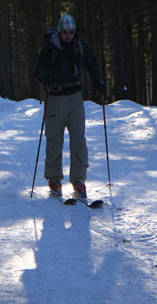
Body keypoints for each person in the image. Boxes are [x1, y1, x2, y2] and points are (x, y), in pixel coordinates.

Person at [34, 14, 106, 198]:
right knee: (54, 140)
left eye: (71, 32)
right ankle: (54, 179)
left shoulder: (80, 46)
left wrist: (99, 83)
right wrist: (48, 79)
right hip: (55, 98)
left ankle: (79, 181)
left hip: (75, 97)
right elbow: (38, 71)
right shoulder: (51, 47)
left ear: (75, 32)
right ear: (60, 32)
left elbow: (92, 64)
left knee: (78, 139)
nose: (68, 35)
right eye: (65, 32)